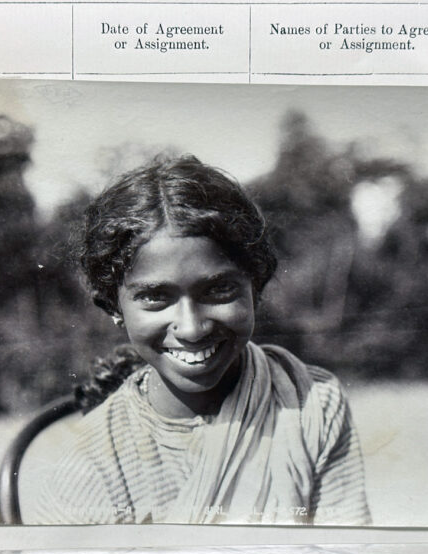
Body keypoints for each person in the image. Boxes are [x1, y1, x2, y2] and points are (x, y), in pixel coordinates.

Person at [33, 155, 371, 525]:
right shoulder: (88, 466)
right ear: (113, 305)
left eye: (219, 289)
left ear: (255, 286)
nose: (192, 328)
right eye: (155, 297)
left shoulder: (311, 405)